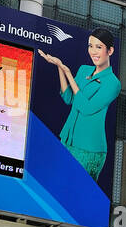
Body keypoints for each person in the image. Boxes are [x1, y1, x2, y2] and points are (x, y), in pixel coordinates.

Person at [37, 29, 121, 182]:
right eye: (90, 46)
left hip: (89, 150)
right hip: (67, 140)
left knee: (76, 190)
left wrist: (69, 74)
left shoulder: (113, 83)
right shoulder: (84, 70)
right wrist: (60, 67)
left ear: (110, 51)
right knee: (56, 187)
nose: (93, 51)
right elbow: (68, 98)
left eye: (99, 47)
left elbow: (87, 108)